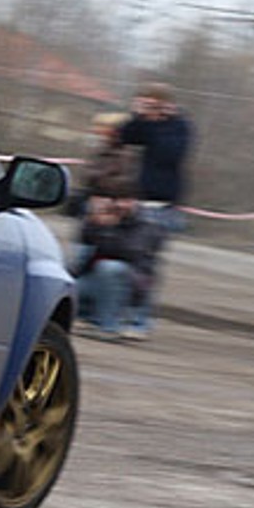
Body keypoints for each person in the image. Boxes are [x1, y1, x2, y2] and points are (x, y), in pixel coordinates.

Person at [115, 82, 194, 338]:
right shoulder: (148, 124)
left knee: (145, 264)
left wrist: (158, 121)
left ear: (166, 104)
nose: (150, 109)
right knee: (127, 261)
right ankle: (121, 314)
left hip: (161, 207)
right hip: (137, 201)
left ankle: (139, 320)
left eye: (153, 104)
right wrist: (138, 116)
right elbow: (125, 137)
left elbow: (168, 155)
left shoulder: (179, 126)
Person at [71, 194, 160, 339]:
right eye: (116, 201)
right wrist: (93, 222)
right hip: (98, 279)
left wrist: (109, 229)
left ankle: (110, 326)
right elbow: (85, 246)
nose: (120, 205)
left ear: (134, 201)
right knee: (71, 284)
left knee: (109, 268)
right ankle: (87, 317)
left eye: (125, 200)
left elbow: (131, 251)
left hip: (134, 282)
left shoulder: (146, 224)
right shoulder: (102, 221)